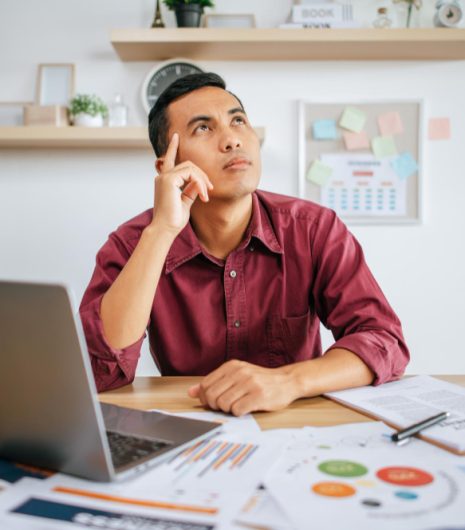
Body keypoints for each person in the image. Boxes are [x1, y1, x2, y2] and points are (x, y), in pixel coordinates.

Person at [80, 72, 409, 416]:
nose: (232, 140)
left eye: (238, 121)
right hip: (190, 425)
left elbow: (384, 340)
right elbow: (100, 371)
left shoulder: (314, 229)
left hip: (295, 423)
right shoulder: (133, 243)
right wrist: (162, 230)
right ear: (168, 165)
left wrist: (289, 381)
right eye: (203, 128)